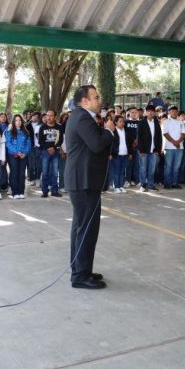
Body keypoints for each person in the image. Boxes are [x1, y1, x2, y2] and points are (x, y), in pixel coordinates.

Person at [64, 85, 114, 290]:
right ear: (85, 100)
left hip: (83, 180)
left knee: (81, 227)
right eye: (95, 97)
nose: (99, 100)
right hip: (83, 181)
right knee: (87, 229)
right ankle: (80, 276)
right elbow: (96, 144)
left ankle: (81, 269)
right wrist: (110, 131)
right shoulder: (82, 118)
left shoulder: (80, 116)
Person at [5, 114, 32, 199]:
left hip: (23, 156)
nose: (18, 122)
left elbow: (29, 144)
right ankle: (15, 192)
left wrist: (25, 153)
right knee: (14, 173)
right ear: (13, 122)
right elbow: (8, 143)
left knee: (21, 174)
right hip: (13, 155)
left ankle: (21, 191)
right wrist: (17, 152)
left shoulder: (26, 132)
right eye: (16, 120)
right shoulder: (9, 131)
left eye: (20, 120)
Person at [38, 109, 63, 198]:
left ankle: (54, 191)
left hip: (55, 152)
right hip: (45, 152)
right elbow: (40, 141)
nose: (48, 117)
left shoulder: (59, 127)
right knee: (45, 172)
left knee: (55, 172)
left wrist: (54, 148)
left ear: (55, 117)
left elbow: (60, 140)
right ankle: (45, 191)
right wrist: (48, 148)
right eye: (47, 115)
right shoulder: (42, 127)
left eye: (51, 115)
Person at [137, 105, 162, 192]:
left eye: (152, 111)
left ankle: (151, 185)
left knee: (152, 169)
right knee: (143, 168)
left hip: (154, 150)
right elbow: (139, 137)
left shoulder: (156, 123)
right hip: (144, 151)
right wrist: (140, 150)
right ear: (146, 112)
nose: (150, 112)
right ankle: (143, 185)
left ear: (154, 113)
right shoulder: (142, 123)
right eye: (149, 111)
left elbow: (159, 137)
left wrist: (158, 150)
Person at [162, 106, 185, 189]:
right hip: (169, 147)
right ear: (169, 112)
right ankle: (167, 183)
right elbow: (165, 133)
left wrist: (178, 142)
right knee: (168, 166)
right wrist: (174, 142)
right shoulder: (166, 122)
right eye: (172, 111)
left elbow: (184, 133)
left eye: (176, 111)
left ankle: (174, 183)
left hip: (179, 147)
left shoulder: (181, 122)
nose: (174, 112)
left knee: (177, 166)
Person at [109, 115, 132, 193]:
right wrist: (110, 154)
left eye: (123, 121)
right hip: (116, 155)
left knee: (122, 171)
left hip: (125, 154)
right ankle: (116, 186)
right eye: (120, 121)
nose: (122, 123)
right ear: (115, 122)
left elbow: (129, 143)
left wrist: (130, 153)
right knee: (116, 171)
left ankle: (121, 186)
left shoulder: (126, 131)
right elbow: (109, 144)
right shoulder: (113, 131)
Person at [26, 111, 43, 185]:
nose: (35, 118)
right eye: (33, 116)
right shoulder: (27, 125)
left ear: (39, 118)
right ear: (31, 117)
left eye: (37, 117)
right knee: (31, 164)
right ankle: (32, 178)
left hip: (39, 146)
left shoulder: (42, 125)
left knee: (39, 164)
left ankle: (38, 178)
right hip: (30, 146)